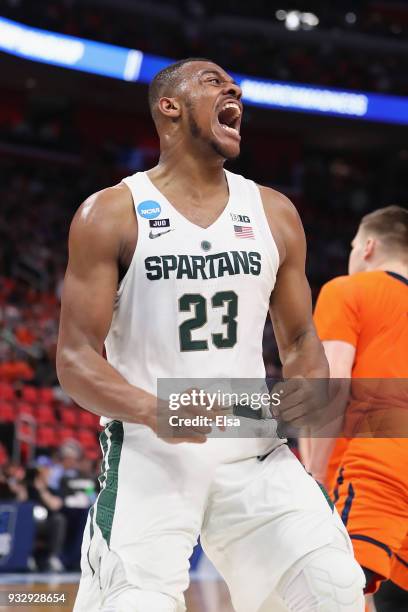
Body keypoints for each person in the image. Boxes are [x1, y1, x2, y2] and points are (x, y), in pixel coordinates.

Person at [57, 58, 365, 611]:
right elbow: (76, 359)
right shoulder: (111, 213)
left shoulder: (273, 212)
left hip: (251, 438)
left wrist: (310, 388)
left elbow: (300, 342)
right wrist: (159, 411)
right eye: (212, 81)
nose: (234, 90)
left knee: (330, 583)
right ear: (168, 107)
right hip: (150, 446)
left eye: (234, 85)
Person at [303, 206, 408, 606]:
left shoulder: (347, 290)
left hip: (373, 469)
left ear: (367, 247)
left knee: (330, 593)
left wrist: (313, 474)